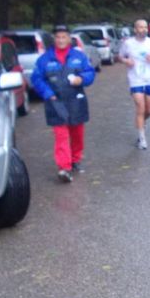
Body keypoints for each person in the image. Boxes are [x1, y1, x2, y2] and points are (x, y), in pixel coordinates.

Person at [31, 25, 95, 182]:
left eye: (64, 37)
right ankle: (64, 168)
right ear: (54, 39)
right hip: (55, 101)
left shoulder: (78, 56)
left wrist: (82, 79)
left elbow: (89, 72)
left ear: (69, 38)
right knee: (61, 135)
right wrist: (48, 93)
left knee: (77, 133)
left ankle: (75, 159)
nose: (61, 40)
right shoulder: (45, 59)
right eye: (58, 37)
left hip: (76, 99)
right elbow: (36, 79)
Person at [119, 19, 150, 150]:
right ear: (135, 29)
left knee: (149, 110)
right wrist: (126, 61)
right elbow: (120, 57)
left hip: (149, 80)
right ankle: (142, 138)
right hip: (135, 80)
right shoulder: (128, 43)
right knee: (140, 107)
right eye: (140, 27)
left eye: (145, 27)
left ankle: (142, 124)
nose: (143, 30)